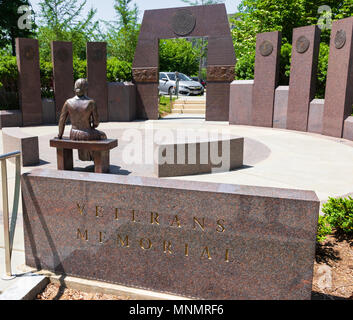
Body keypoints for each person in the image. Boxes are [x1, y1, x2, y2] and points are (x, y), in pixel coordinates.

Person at [57, 78, 107, 161]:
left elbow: (61, 121)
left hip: (73, 134)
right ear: (86, 89)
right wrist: (92, 125)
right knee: (103, 135)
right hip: (87, 133)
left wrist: (60, 135)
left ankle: (88, 157)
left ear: (74, 88)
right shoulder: (91, 102)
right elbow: (96, 123)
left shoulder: (68, 102)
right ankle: (98, 162)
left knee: (92, 135)